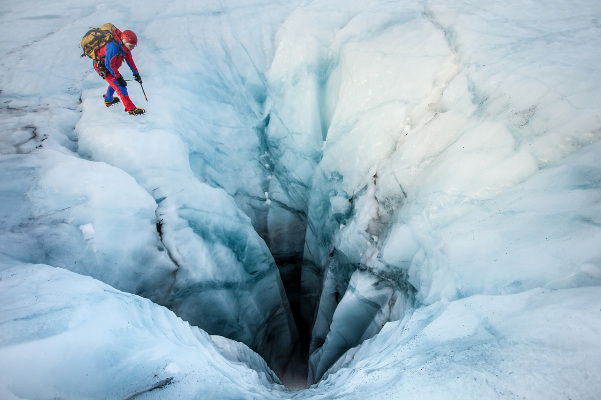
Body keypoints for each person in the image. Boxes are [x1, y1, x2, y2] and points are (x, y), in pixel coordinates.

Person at [94, 29, 145, 115]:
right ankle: (131, 109)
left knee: (114, 82)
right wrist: (118, 76)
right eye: (131, 46)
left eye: (133, 46)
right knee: (120, 86)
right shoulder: (113, 47)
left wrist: (136, 74)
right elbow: (108, 64)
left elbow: (130, 61)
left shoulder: (125, 49)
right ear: (124, 41)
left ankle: (108, 100)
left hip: (110, 68)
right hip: (103, 68)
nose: (132, 48)